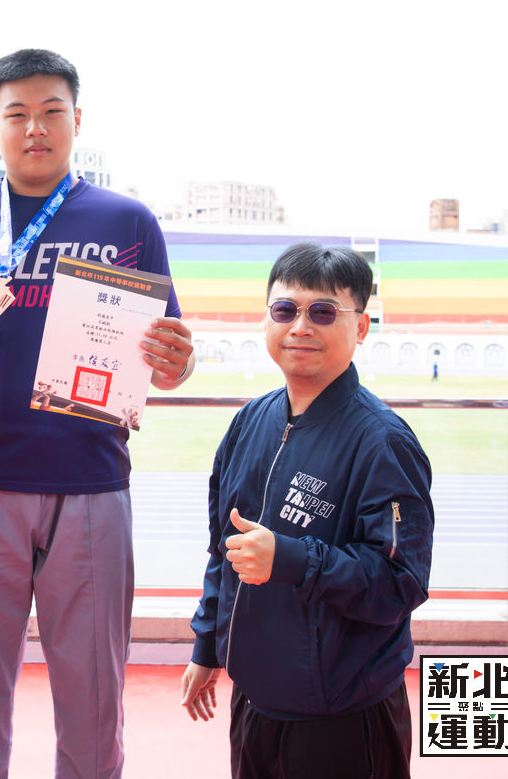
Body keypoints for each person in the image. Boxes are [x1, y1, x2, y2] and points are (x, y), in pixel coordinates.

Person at [0, 49, 195, 778]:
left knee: (94, 700)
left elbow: (167, 354)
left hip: (91, 480)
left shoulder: (129, 221)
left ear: (77, 119)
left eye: (51, 112)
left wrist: (176, 363)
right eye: (17, 114)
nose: (34, 128)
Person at [179, 244, 433, 779]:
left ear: (360, 327)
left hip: (345, 714)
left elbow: (400, 583)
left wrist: (292, 559)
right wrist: (207, 646)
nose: (300, 327)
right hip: (254, 702)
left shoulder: (383, 442)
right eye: (285, 310)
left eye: (323, 312)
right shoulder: (251, 422)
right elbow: (224, 552)